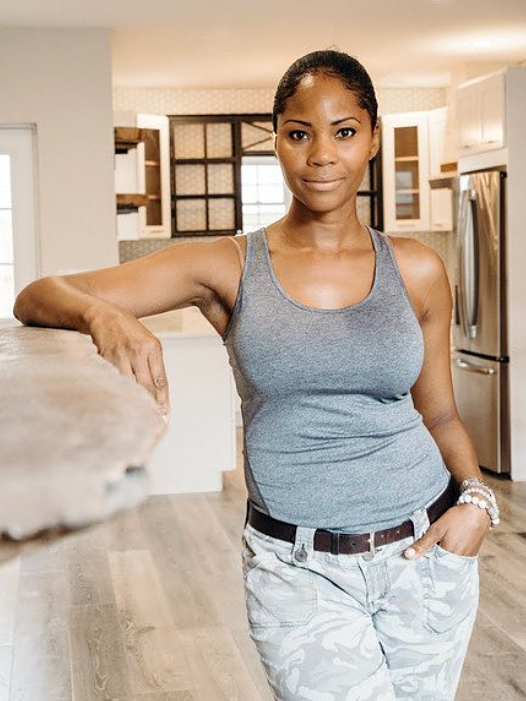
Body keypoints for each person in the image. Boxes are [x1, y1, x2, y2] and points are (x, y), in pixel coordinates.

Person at [14, 49, 500, 701]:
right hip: (297, 570)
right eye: (299, 133)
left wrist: (476, 500)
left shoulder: (416, 269)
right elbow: (41, 292)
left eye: (345, 131)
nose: (322, 154)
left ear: (374, 138)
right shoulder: (230, 264)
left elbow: (439, 415)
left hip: (428, 551)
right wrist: (103, 316)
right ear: (277, 141)